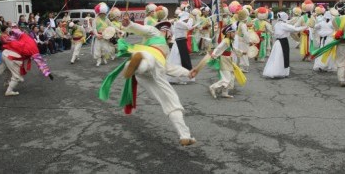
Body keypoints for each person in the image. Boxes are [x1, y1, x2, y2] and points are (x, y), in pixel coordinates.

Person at [98, 14, 197, 146]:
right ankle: (135, 65)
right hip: (151, 60)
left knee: (172, 102)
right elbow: (143, 29)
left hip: (153, 70)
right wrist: (130, 25)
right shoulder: (155, 33)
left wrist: (187, 73)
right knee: (149, 61)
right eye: (168, 31)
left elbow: (170, 68)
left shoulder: (165, 50)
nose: (170, 34)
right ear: (165, 30)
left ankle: (185, 135)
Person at [191, 24, 246, 99]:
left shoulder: (229, 41)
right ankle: (213, 87)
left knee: (231, 77)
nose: (234, 34)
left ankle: (225, 92)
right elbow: (218, 48)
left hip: (228, 60)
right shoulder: (226, 41)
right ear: (228, 33)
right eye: (233, 32)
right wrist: (214, 54)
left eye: (234, 32)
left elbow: (234, 49)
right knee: (227, 78)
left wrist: (242, 52)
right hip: (224, 60)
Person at [0, 28, 52, 96]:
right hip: (11, 57)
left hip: (4, 53)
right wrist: (48, 73)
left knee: (7, 70)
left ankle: (6, 82)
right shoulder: (34, 49)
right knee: (17, 76)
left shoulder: (25, 36)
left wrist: (10, 32)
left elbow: (15, 31)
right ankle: (9, 91)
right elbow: (40, 63)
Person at [263, 12, 307, 78]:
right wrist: (305, 26)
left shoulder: (277, 24)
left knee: (276, 57)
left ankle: (274, 71)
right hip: (283, 42)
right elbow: (294, 29)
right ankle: (280, 72)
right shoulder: (284, 25)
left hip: (277, 42)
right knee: (282, 57)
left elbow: (290, 26)